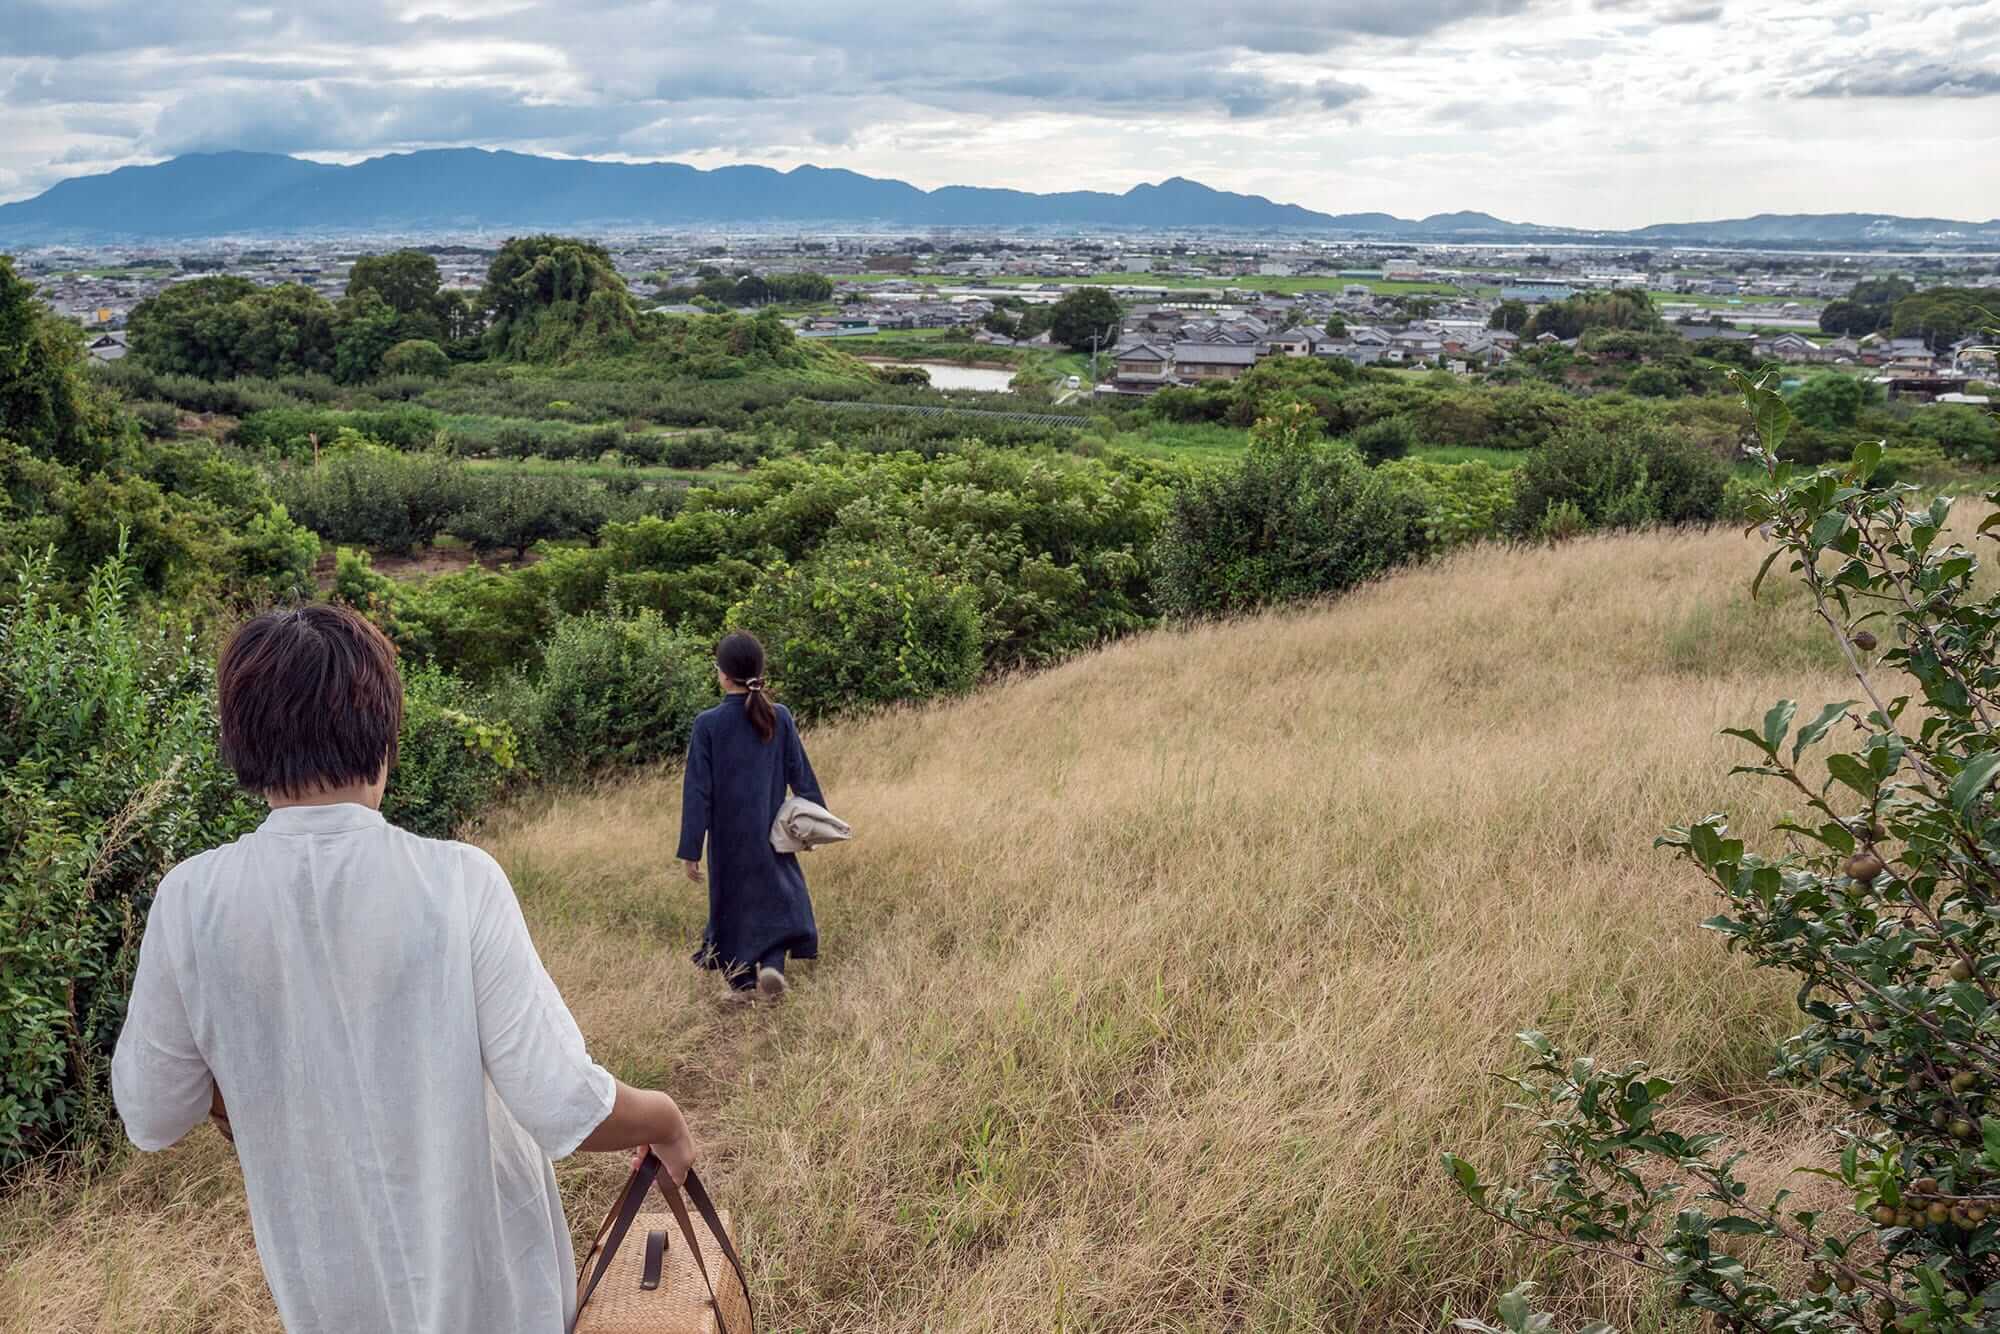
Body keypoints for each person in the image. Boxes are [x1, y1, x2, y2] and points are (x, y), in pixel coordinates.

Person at [111, 605, 696, 1334]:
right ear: (384, 735)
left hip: (329, 1300)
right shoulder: (457, 881)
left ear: (242, 745)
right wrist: (665, 1118)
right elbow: (559, 1100)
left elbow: (153, 1112)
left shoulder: (190, 900)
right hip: (497, 1296)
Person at [679, 631, 824, 999]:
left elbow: (698, 792)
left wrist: (691, 849)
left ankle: (742, 985)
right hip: (773, 832)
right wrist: (813, 826)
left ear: (723, 674)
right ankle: (773, 966)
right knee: (777, 899)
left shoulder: (708, 724)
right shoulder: (780, 716)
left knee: (732, 907)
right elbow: (801, 775)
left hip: (728, 839)